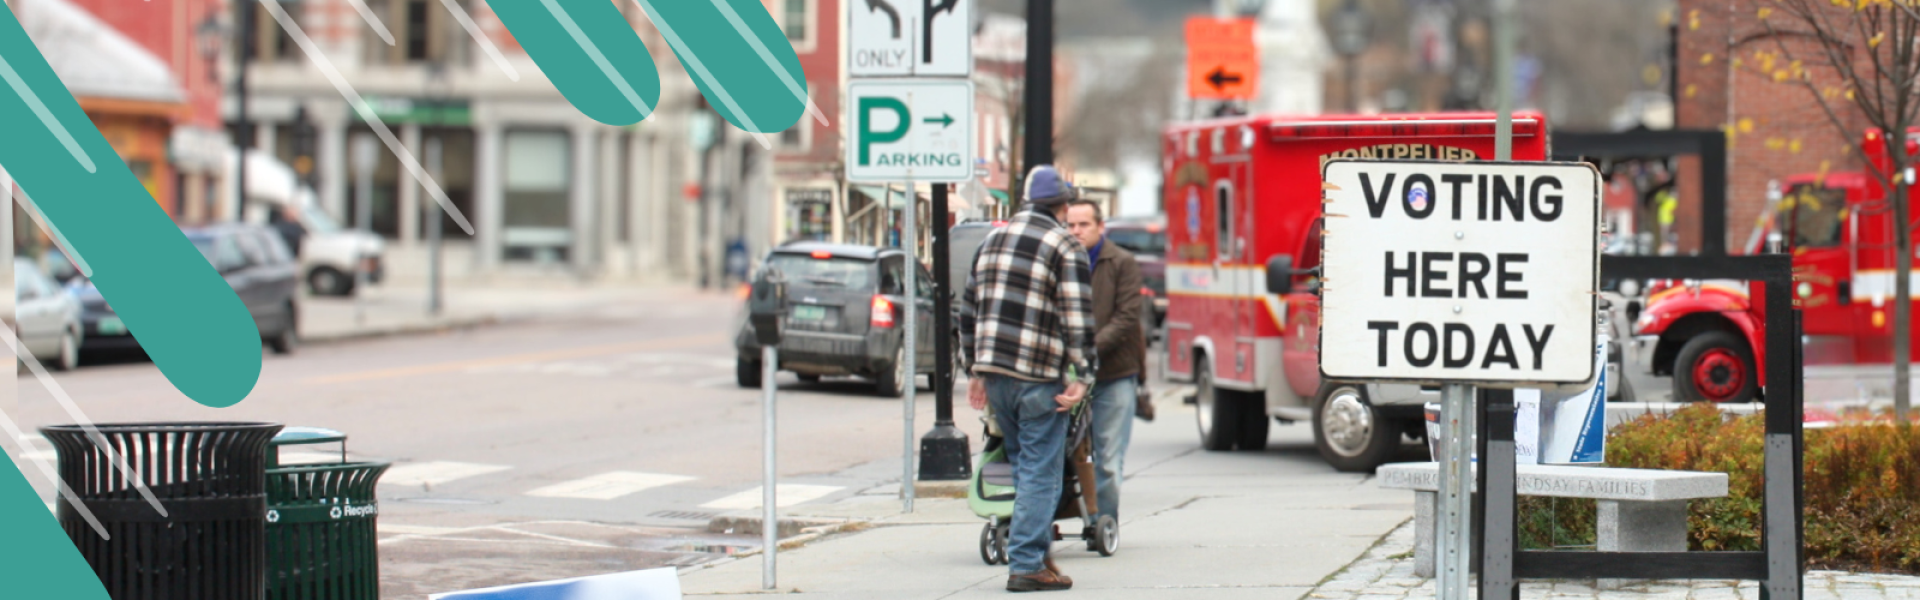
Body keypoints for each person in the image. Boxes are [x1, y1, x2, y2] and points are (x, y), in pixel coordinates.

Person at [960, 165, 1097, 593]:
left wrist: (974, 369)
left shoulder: (992, 240)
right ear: (1064, 205)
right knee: (1041, 470)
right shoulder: (1064, 244)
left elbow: (968, 310)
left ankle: (1037, 554)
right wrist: (1084, 375)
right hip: (1038, 375)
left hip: (997, 375)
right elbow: (1076, 318)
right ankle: (1026, 563)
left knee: (1022, 465)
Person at [1062, 199, 1144, 526]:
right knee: (1064, 454)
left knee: (1108, 457)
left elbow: (1126, 318)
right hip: (1067, 377)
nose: (1076, 231)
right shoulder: (1059, 260)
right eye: (1070, 225)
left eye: (1084, 225)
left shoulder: (1121, 262)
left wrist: (1087, 351)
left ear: (1100, 227)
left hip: (1113, 374)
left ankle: (1103, 523)